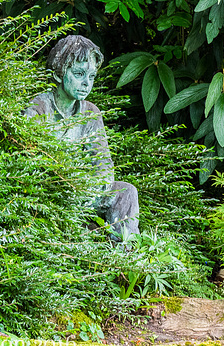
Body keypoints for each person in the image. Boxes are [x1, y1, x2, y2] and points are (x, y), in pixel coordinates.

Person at [23, 35, 140, 236]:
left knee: (126, 192)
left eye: (92, 77)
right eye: (79, 74)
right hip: (49, 192)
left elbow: (102, 164)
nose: (87, 83)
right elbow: (31, 161)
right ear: (59, 74)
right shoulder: (39, 108)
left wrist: (94, 188)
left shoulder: (90, 113)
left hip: (84, 192)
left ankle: (124, 252)